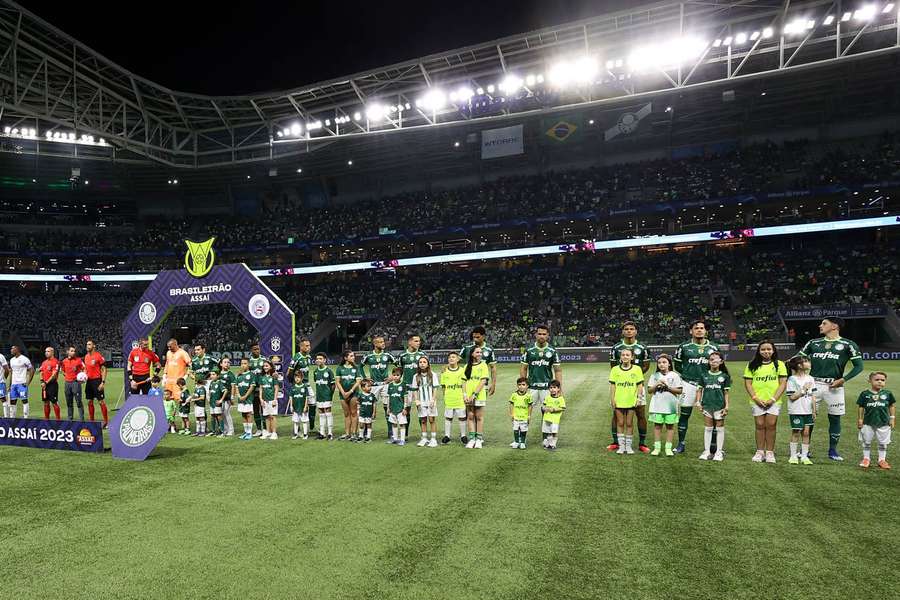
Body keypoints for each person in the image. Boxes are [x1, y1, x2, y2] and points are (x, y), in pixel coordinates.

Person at [797, 316, 864, 461]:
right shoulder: (813, 343)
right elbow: (796, 359)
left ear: (834, 326)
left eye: (824, 323)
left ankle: (833, 451)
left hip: (834, 386)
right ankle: (805, 450)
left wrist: (843, 379)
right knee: (808, 417)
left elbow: (859, 366)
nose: (820, 326)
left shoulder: (848, 344)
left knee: (835, 418)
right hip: (813, 385)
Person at [672, 320, 720, 454]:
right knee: (684, 415)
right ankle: (681, 443)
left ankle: (713, 445)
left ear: (706, 331)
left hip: (709, 385)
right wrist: (688, 376)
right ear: (691, 331)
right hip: (688, 385)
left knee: (713, 415)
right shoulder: (684, 347)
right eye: (696, 328)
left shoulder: (714, 347)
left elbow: (719, 366)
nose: (699, 330)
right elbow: (678, 366)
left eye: (702, 328)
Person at [608, 321, 650, 452]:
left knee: (641, 414)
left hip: (637, 385)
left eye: (632, 329)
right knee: (616, 415)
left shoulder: (643, 348)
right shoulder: (616, 348)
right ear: (623, 332)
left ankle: (642, 443)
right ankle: (616, 442)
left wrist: (634, 376)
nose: (629, 331)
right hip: (621, 387)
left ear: (636, 331)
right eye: (626, 329)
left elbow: (646, 366)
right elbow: (613, 367)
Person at [743, 341, 788, 463]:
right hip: (757, 401)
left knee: (771, 425)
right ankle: (759, 452)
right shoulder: (752, 365)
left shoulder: (779, 365)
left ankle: (769, 453)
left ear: (773, 350)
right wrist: (755, 398)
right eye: (763, 349)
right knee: (759, 425)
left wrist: (773, 399)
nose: (766, 351)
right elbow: (748, 383)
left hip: (774, 401)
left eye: (769, 349)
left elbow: (783, 383)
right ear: (759, 351)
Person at [519, 324, 563, 423]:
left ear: (548, 336)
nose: (541, 336)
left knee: (548, 414)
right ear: (536, 335)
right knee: (524, 411)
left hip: (547, 387)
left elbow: (558, 370)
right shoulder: (529, 350)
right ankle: (521, 438)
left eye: (544, 334)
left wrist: (559, 388)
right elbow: (523, 368)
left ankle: (547, 437)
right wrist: (522, 385)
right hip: (531, 387)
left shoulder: (552, 351)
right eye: (539, 334)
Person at [695, 351, 731, 461]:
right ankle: (707, 451)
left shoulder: (724, 376)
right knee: (708, 428)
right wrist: (698, 402)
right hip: (707, 405)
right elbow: (699, 390)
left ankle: (719, 452)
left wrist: (727, 406)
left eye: (716, 359)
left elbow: (726, 393)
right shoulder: (704, 375)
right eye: (711, 359)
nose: (713, 361)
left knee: (720, 428)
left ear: (721, 361)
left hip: (719, 406)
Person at [609, 348, 645, 455]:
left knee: (629, 423)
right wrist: (612, 399)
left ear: (632, 357)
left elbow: (639, 385)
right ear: (620, 357)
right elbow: (613, 385)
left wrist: (639, 398)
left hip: (631, 400)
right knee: (620, 423)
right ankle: (621, 446)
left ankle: (628, 446)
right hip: (619, 399)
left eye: (627, 355)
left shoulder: (637, 369)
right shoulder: (615, 369)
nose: (625, 356)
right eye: (623, 355)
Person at [857, 371, 895, 470]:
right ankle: (866, 459)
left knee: (883, 442)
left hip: (883, 422)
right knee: (866, 441)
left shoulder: (887, 394)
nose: (879, 382)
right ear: (870, 381)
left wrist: (892, 418)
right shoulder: (865, 394)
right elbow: (861, 407)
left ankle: (882, 460)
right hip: (868, 422)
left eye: (882, 380)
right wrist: (860, 419)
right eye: (877, 379)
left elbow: (891, 406)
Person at [646, 354, 683, 456]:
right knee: (657, 426)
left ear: (669, 364)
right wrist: (656, 384)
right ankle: (657, 448)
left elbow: (679, 390)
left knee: (670, 427)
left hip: (671, 407)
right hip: (657, 406)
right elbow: (649, 390)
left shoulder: (675, 376)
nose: (661, 364)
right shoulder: (655, 376)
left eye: (664, 362)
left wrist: (667, 387)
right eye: (659, 363)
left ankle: (668, 448)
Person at [360, 335, 395, 438]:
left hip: (385, 385)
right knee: (368, 407)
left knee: (387, 408)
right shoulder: (369, 356)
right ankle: (366, 431)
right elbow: (360, 367)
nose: (383, 343)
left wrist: (392, 377)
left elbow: (399, 366)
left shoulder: (388, 355)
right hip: (373, 386)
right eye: (380, 342)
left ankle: (390, 432)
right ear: (374, 344)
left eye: (383, 341)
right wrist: (365, 378)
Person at [785, 356, 816, 465]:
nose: (809, 363)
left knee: (806, 433)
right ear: (799, 365)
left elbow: (813, 396)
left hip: (808, 411)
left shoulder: (810, 378)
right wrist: (803, 389)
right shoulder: (792, 379)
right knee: (796, 432)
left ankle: (804, 456)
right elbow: (792, 397)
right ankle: (793, 456)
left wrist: (814, 410)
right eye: (806, 361)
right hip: (796, 410)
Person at [398, 334, 427, 437]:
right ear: (409, 342)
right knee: (406, 410)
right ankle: (404, 434)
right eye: (416, 341)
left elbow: (427, 369)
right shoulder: (402, 356)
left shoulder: (422, 354)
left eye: (419, 341)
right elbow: (399, 371)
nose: (418, 343)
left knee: (421, 410)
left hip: (420, 388)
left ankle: (424, 435)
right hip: (407, 387)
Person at [462, 346, 491, 449]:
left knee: (479, 417)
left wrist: (474, 394)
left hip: (478, 395)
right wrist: (465, 395)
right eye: (477, 352)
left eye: (480, 352)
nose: (480, 354)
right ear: (472, 354)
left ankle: (479, 439)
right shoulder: (466, 366)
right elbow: (464, 381)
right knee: (470, 416)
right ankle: (472, 439)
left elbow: (483, 381)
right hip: (468, 396)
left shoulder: (483, 365)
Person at [287, 338, 316, 434]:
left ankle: (311, 425)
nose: (309, 347)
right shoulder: (296, 358)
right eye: (306, 346)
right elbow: (289, 372)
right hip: (299, 386)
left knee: (312, 404)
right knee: (298, 406)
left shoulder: (308, 357)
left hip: (307, 384)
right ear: (301, 347)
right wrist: (294, 384)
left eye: (309, 345)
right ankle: (298, 428)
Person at [460, 326, 498, 396]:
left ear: (483, 336)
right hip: (468, 382)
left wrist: (493, 384)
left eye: (477, 337)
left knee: (480, 406)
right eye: (474, 337)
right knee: (468, 405)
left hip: (482, 382)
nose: (475, 339)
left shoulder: (489, 349)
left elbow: (493, 368)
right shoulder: (467, 347)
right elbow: (457, 360)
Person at [439, 351, 467, 445]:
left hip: (459, 398)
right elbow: (443, 386)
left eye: (453, 357)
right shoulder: (444, 371)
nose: (451, 359)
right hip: (449, 398)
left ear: (458, 359)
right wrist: (444, 397)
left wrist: (464, 394)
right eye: (450, 357)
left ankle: (463, 436)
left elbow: (464, 383)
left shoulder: (462, 370)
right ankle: (447, 436)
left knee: (462, 417)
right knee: (448, 418)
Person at [335, 350, 362, 441]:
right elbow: (338, 382)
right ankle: (347, 433)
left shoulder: (356, 368)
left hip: (354, 393)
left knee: (353, 413)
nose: (353, 357)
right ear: (345, 358)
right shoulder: (339, 368)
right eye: (351, 356)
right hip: (343, 394)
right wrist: (343, 393)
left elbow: (358, 382)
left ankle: (354, 433)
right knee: (346, 414)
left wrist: (350, 392)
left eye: (353, 356)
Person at [413, 356, 440, 447]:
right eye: (420, 362)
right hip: (421, 402)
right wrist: (416, 400)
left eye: (424, 362)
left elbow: (435, 388)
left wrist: (433, 399)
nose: (422, 364)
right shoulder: (416, 376)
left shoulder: (432, 374)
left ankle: (433, 439)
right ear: (418, 364)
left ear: (428, 364)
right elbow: (415, 389)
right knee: (423, 420)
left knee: (432, 419)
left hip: (431, 401)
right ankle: (424, 438)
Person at [83, 339, 109, 427]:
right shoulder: (86, 356)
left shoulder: (98, 356)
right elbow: (86, 369)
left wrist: (103, 382)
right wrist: (84, 377)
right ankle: (92, 421)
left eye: (89, 344)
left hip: (97, 381)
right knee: (89, 401)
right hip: (89, 382)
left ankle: (106, 422)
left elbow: (104, 369)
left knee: (101, 401)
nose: (87, 346)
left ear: (94, 346)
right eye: (87, 344)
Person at [312, 352, 335, 440]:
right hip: (319, 396)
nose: (318, 360)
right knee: (321, 413)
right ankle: (322, 433)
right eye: (317, 359)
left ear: (324, 360)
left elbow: (333, 385)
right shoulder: (315, 371)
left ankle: (330, 433)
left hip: (327, 396)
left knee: (328, 413)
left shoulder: (328, 371)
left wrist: (330, 394)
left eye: (320, 359)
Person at [8, 345, 34, 419]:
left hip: (22, 383)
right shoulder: (11, 360)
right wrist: (10, 385)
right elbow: (11, 373)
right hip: (13, 384)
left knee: (24, 400)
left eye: (13, 349)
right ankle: (12, 418)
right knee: (12, 401)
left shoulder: (24, 359)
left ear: (17, 350)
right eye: (11, 349)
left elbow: (32, 370)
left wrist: (28, 382)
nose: (11, 350)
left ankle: (26, 417)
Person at [234, 358, 257, 440]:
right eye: (242, 363)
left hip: (248, 399)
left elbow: (252, 387)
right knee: (243, 414)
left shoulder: (251, 375)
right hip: (240, 399)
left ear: (248, 364)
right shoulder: (239, 375)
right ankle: (245, 431)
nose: (243, 365)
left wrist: (245, 396)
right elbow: (236, 386)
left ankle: (249, 432)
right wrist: (239, 396)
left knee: (248, 414)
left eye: (245, 363)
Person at [258, 360, 280, 440]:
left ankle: (274, 433)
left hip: (272, 400)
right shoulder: (262, 377)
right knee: (266, 417)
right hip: (264, 400)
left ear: (270, 367)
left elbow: (276, 388)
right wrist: (260, 399)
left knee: (272, 416)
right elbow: (261, 388)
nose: (265, 367)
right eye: (264, 366)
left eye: (267, 366)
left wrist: (275, 399)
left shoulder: (274, 377)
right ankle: (268, 432)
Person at [508, 377, 533, 449]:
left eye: (523, 384)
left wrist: (529, 415)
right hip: (516, 416)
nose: (521, 386)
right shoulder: (514, 395)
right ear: (517, 385)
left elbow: (530, 406)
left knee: (523, 430)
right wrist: (512, 414)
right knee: (515, 430)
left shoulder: (528, 396)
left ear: (527, 386)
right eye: (519, 385)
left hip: (524, 417)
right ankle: (516, 442)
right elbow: (511, 404)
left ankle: (522, 442)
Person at [60, 346, 84, 421]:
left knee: (78, 401)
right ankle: (70, 419)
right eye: (72, 351)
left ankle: (81, 419)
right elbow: (63, 370)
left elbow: (84, 368)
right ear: (68, 352)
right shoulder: (64, 361)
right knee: (69, 402)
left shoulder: (79, 360)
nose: (73, 352)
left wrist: (82, 377)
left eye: (74, 351)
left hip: (75, 383)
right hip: (67, 383)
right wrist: (66, 375)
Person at [247, 343, 266, 437]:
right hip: (253, 390)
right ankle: (259, 429)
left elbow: (271, 370)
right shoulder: (249, 361)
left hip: (263, 389)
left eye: (258, 349)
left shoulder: (264, 359)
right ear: (251, 350)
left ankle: (266, 429)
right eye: (255, 349)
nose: (257, 351)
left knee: (264, 409)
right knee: (255, 409)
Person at [542, 380, 566, 451]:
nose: (552, 389)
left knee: (554, 432)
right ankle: (548, 444)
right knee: (548, 432)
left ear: (558, 389)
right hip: (547, 418)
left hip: (555, 419)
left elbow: (563, 408)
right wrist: (544, 408)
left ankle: (553, 444)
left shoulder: (560, 399)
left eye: (554, 387)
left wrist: (554, 409)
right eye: (551, 387)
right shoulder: (547, 397)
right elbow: (544, 406)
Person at [39, 347, 61, 420]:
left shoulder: (56, 362)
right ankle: (46, 420)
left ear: (52, 352)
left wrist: (46, 382)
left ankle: (58, 420)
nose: (46, 353)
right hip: (44, 386)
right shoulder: (44, 362)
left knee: (54, 402)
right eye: (45, 351)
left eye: (48, 351)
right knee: (46, 402)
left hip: (52, 385)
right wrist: (42, 381)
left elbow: (54, 375)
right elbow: (41, 372)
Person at [386, 367, 407, 445]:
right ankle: (395, 438)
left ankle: (402, 440)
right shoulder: (390, 385)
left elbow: (405, 397)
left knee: (402, 424)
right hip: (392, 409)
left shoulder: (403, 384)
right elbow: (389, 397)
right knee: (394, 424)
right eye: (394, 375)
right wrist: (388, 407)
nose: (395, 376)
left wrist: (405, 408)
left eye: (397, 375)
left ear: (401, 376)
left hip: (400, 409)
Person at [218, 356, 237, 436]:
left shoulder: (230, 374)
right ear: (221, 364)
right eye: (225, 362)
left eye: (228, 362)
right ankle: (225, 429)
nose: (227, 364)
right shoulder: (218, 374)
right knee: (222, 413)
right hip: (220, 397)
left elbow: (233, 386)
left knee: (226, 412)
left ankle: (231, 430)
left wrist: (232, 397)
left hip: (228, 397)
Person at [207, 369, 228, 437]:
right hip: (212, 402)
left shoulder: (219, 383)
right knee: (212, 416)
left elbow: (225, 391)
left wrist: (221, 400)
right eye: (211, 374)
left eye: (214, 374)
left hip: (217, 402)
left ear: (218, 375)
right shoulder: (211, 383)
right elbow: (210, 391)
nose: (212, 376)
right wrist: (209, 398)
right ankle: (213, 431)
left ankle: (222, 432)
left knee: (219, 416)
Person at [289, 371, 308, 440]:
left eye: (298, 377)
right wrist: (291, 406)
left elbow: (306, 397)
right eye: (295, 377)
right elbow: (291, 397)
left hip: (303, 407)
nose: (297, 379)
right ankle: (295, 433)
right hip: (295, 407)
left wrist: (306, 406)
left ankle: (305, 434)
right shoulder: (293, 387)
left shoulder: (304, 387)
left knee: (304, 421)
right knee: (295, 421)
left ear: (302, 378)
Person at [357, 379, 377, 443]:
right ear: (363, 388)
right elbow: (358, 403)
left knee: (369, 425)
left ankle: (368, 437)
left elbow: (374, 404)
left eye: (370, 386)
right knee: (361, 424)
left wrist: (374, 412)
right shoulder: (360, 395)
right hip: (362, 413)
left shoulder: (372, 395)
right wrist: (358, 411)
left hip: (369, 413)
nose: (370, 387)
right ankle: (361, 436)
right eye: (368, 386)